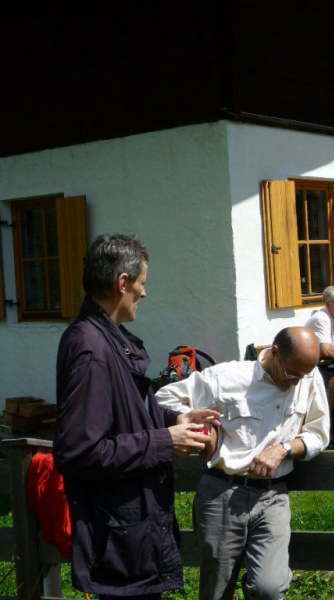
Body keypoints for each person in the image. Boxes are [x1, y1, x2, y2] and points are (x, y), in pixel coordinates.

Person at [54, 234, 218, 599]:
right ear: (122, 282)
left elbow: (129, 411)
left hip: (131, 530)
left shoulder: (108, 339)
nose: (144, 293)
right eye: (142, 283)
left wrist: (173, 420)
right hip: (118, 535)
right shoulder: (92, 350)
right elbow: (80, 452)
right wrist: (165, 442)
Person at [155, 327, 330, 600]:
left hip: (273, 495)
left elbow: (319, 434)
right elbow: (163, 398)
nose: (296, 382)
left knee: (268, 589)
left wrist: (283, 449)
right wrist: (204, 429)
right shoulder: (226, 377)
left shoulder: (308, 375)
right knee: (216, 590)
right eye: (291, 374)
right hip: (223, 493)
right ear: (275, 353)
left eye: (302, 376)